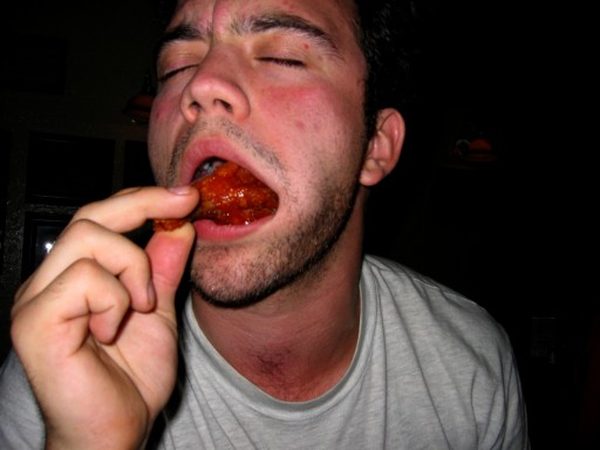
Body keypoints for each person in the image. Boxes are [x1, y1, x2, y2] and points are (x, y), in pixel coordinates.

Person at [0, 0, 529, 448]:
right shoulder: (65, 369)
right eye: (177, 66)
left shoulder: (471, 365)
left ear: (375, 145)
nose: (201, 84)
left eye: (282, 56)